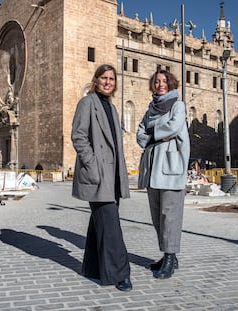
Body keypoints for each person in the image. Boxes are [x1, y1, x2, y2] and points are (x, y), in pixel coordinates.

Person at [71, 64, 132, 291]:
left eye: (112, 79)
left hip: (113, 175)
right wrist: (92, 163)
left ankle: (92, 268)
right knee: (111, 225)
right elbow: (78, 136)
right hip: (98, 174)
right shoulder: (87, 103)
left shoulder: (112, 108)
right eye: (104, 78)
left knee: (101, 222)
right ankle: (120, 273)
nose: (108, 82)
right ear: (95, 80)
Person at [136, 70, 190, 279]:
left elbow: (174, 127)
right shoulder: (151, 108)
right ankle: (168, 255)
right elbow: (140, 131)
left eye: (164, 81)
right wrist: (151, 137)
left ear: (171, 83)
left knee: (170, 216)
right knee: (157, 216)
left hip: (170, 166)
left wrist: (152, 133)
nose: (160, 84)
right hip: (152, 168)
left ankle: (170, 256)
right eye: (157, 81)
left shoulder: (178, 105)